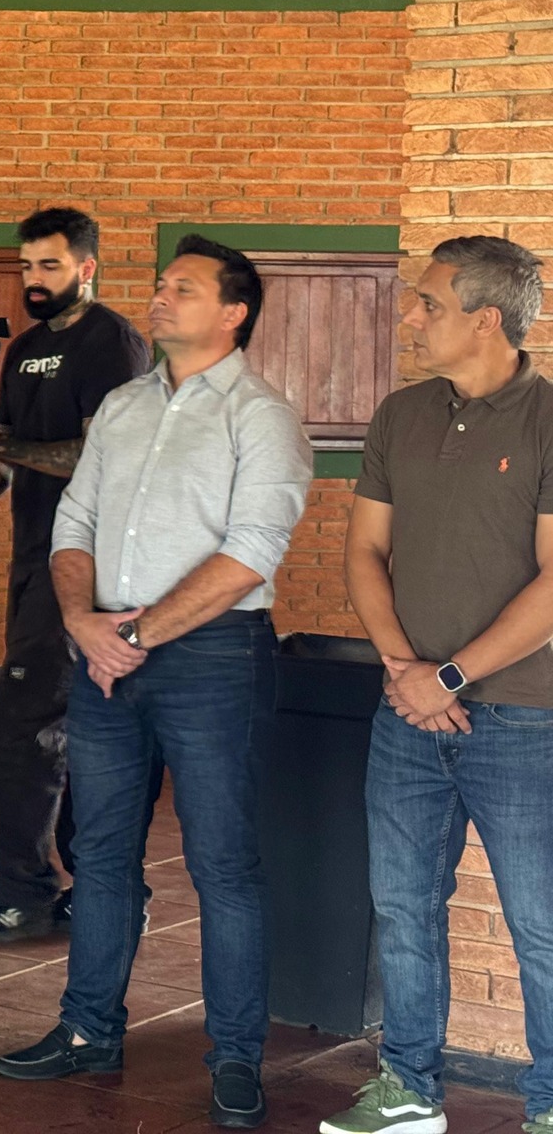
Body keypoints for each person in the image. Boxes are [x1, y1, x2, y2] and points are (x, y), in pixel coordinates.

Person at [0, 234, 312, 1131]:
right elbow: (73, 524)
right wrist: (84, 623)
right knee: (100, 857)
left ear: (234, 312)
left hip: (212, 661)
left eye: (184, 288)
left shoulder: (262, 416)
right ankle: (87, 1029)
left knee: (222, 866)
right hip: (106, 653)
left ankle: (237, 1057)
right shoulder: (124, 406)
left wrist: (131, 633)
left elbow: (252, 552)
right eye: (162, 284)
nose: (161, 297)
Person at [326, 237, 553, 1134]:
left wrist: (449, 675)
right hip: (407, 715)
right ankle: (410, 1090)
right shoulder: (402, 414)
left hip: (528, 720)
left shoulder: (550, 421)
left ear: (485, 319)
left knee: (541, 922)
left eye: (429, 304)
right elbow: (363, 551)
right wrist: (404, 673)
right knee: (404, 908)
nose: (411, 317)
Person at [0, 207, 149, 942]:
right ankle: (98, 888)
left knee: (23, 725)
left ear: (86, 268)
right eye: (27, 266)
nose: (34, 280)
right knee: (66, 727)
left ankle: (22, 889)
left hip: (89, 567)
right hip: (32, 557)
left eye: (50, 266)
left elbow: (102, 458)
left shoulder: (112, 343)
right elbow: (10, 452)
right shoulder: (26, 347)